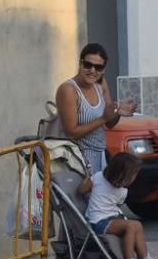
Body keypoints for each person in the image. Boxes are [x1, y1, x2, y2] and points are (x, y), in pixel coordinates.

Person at [54, 43, 137, 174]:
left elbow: (109, 123)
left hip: (100, 156)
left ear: (103, 70)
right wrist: (103, 118)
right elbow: (71, 132)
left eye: (98, 67)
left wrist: (118, 112)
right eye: (88, 65)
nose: (92, 70)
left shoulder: (100, 84)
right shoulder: (68, 90)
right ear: (80, 63)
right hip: (76, 161)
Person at [80, 152, 158, 259]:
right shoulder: (122, 192)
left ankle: (144, 257)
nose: (134, 178)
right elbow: (118, 204)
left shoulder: (97, 177)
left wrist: (87, 180)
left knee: (136, 225)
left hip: (104, 218)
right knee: (132, 226)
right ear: (123, 175)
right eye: (133, 175)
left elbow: (81, 190)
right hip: (98, 221)